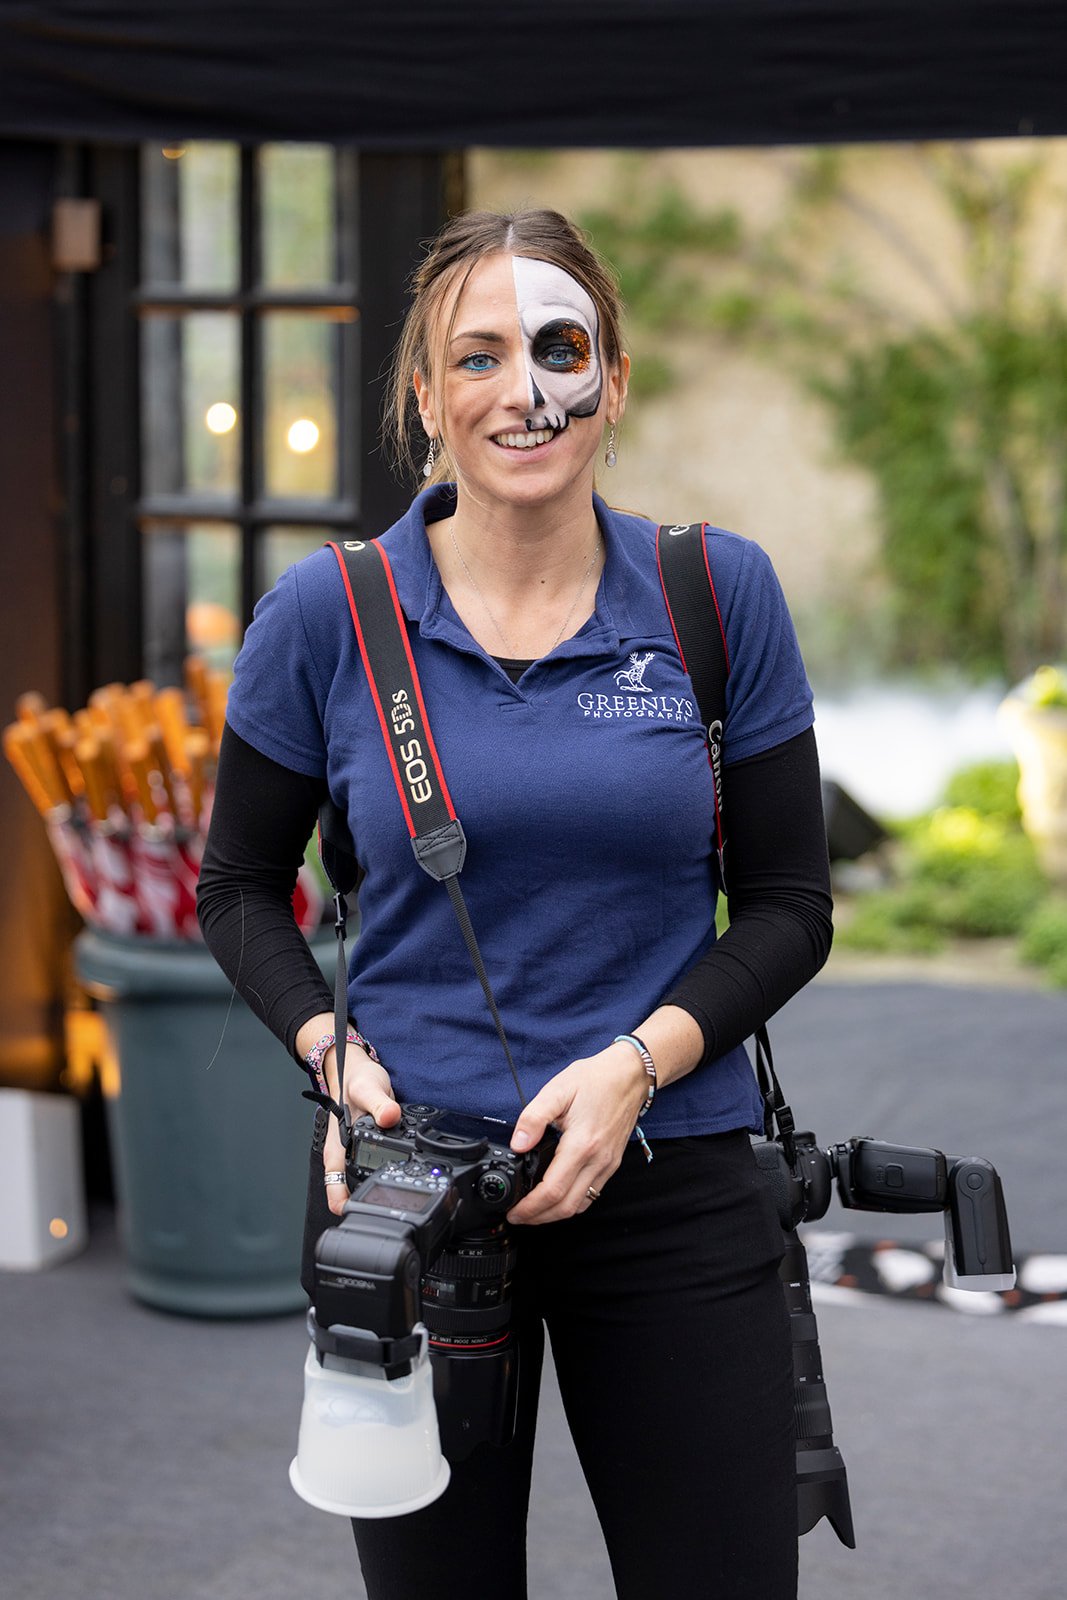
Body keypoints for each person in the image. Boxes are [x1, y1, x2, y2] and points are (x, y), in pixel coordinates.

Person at [197, 207, 833, 1600]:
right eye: (475, 357)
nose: (523, 390)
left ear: (614, 378)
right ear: (426, 397)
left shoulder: (716, 595)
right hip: (409, 1191)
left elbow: (790, 904)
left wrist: (632, 1068)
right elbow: (239, 886)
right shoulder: (327, 615)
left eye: (559, 348)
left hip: (676, 1176)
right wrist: (326, 1048)